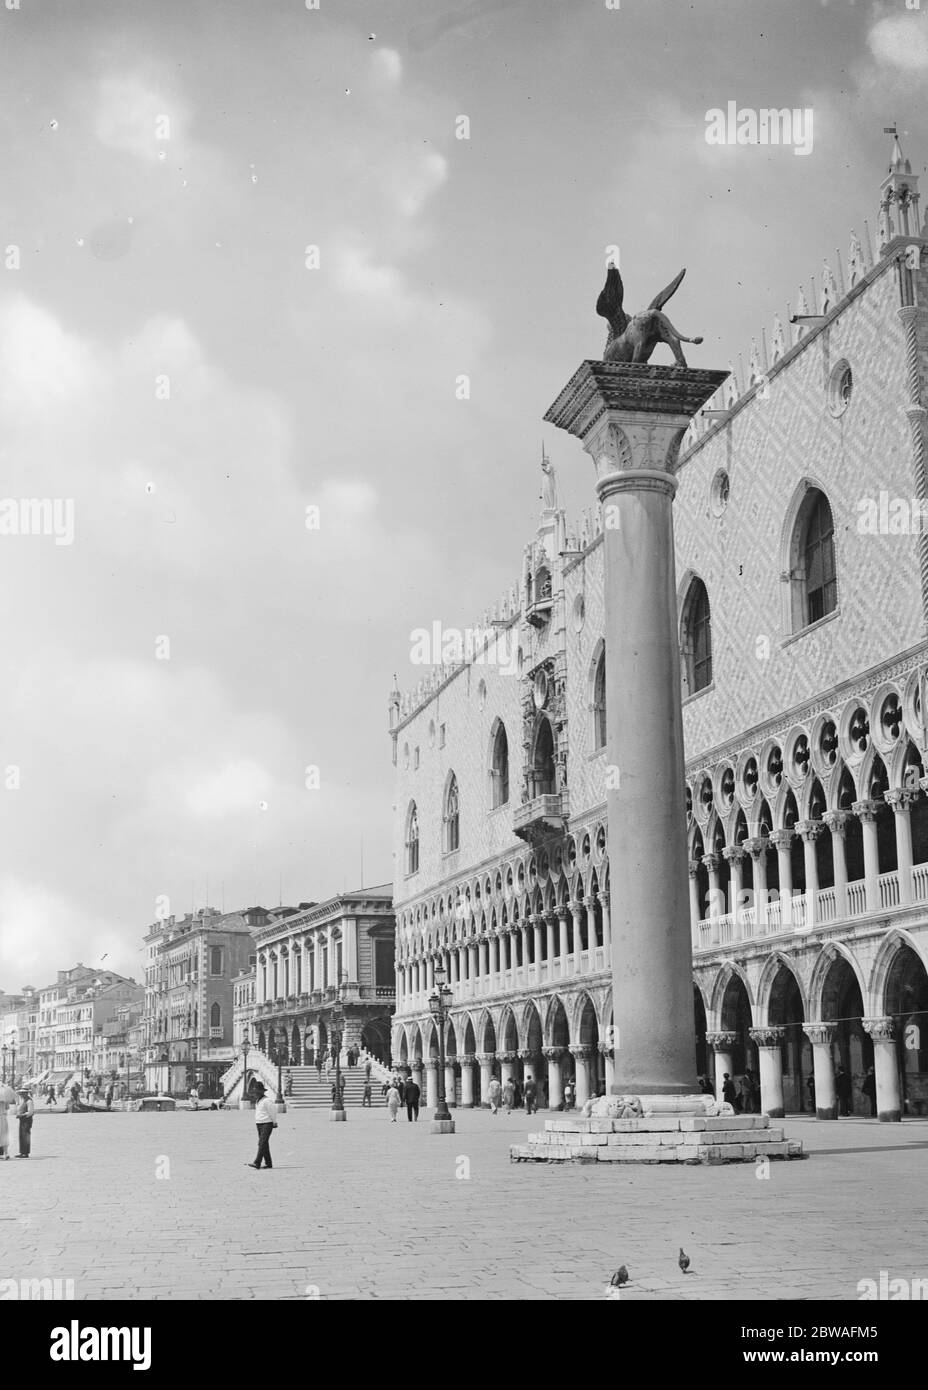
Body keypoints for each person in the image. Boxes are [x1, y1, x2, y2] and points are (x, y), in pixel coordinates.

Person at [246, 1082, 277, 1169]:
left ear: (261, 1092)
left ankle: (257, 1162)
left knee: (261, 1143)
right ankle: (268, 1163)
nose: (255, 1094)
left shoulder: (267, 1101)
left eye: (256, 1092)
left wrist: (274, 1122)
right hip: (259, 1123)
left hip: (267, 1123)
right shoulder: (258, 1101)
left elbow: (273, 1112)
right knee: (264, 1144)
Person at [15, 1089, 34, 1158]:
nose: (21, 1095)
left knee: (26, 1136)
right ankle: (22, 1151)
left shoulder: (29, 1101)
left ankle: (26, 1152)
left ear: (26, 1093)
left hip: (27, 1119)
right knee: (22, 1136)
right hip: (22, 1119)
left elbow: (30, 1112)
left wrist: (22, 1115)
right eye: (20, 1094)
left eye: (22, 1093)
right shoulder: (22, 1100)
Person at [0, 1082, 15, 1159]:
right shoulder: (5, 1098)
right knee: (4, 1136)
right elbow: (7, 1108)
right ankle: (6, 1153)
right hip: (3, 1117)